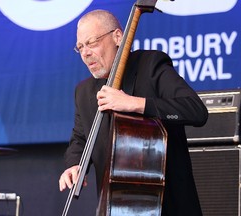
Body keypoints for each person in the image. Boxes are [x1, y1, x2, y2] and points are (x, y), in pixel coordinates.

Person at [59, 9, 208, 216]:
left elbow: (195, 110)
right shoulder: (84, 92)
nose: (85, 53)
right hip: (115, 207)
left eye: (92, 42)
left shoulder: (151, 65)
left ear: (118, 37)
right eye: (80, 47)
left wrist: (134, 104)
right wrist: (74, 163)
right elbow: (79, 137)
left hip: (169, 206)